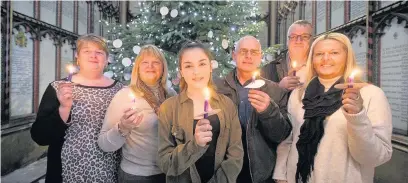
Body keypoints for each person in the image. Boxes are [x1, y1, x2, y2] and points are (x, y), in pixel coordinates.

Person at [275, 33, 392, 183]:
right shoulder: (299, 94)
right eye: (319, 54)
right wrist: (281, 174)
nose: (325, 59)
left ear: (347, 56)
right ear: (312, 59)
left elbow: (376, 157)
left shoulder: (370, 94)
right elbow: (289, 138)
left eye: (334, 53)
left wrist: (357, 117)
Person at [31, 34, 123, 183]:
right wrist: (64, 108)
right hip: (66, 171)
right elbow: (39, 136)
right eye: (87, 51)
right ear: (77, 57)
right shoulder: (58, 88)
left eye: (99, 52)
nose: (93, 56)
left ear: (107, 59)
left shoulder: (120, 90)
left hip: (109, 171)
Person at [157, 42, 244, 183]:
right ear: (181, 72)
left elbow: (236, 155)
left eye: (202, 64)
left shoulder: (227, 105)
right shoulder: (169, 108)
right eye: (188, 66)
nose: (196, 72)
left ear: (210, 67)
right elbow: (165, 164)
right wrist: (195, 144)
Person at [216, 35, 292, 183]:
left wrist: (268, 111)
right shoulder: (218, 89)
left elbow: (282, 135)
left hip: (260, 173)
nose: (248, 56)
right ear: (234, 55)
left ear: (260, 57)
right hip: (225, 170)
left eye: (254, 52)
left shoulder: (274, 91)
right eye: (243, 51)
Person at [98, 45, 176, 183]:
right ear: (137, 68)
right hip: (137, 176)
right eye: (145, 62)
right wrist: (122, 128)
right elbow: (104, 144)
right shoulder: (125, 95)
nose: (150, 66)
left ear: (163, 67)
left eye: (156, 62)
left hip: (169, 172)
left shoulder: (171, 95)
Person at [261, 20, 313, 91]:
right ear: (287, 41)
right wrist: (279, 87)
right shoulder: (269, 70)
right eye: (293, 36)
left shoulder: (320, 66)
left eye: (305, 36)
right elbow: (260, 97)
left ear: (312, 40)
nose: (298, 41)